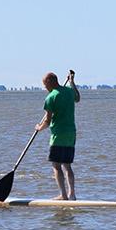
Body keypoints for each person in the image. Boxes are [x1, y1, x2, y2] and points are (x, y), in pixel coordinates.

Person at [34, 70, 80, 200]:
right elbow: (78, 98)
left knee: (56, 165)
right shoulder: (69, 91)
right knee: (67, 165)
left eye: (45, 85)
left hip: (58, 135)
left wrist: (39, 127)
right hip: (71, 133)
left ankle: (64, 195)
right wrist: (72, 82)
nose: (45, 88)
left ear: (50, 82)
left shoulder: (50, 97)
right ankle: (73, 194)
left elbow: (47, 121)